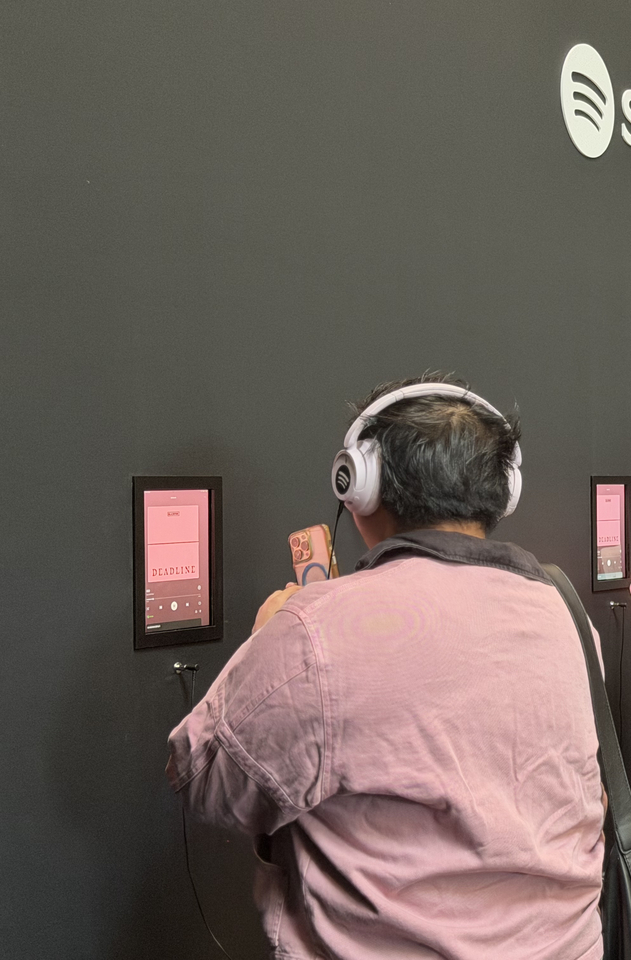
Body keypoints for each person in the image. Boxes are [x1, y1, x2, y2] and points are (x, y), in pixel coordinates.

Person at [166, 374, 606, 960]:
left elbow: (203, 776)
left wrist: (273, 631)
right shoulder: (570, 619)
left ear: (359, 483)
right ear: (504, 490)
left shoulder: (314, 635)